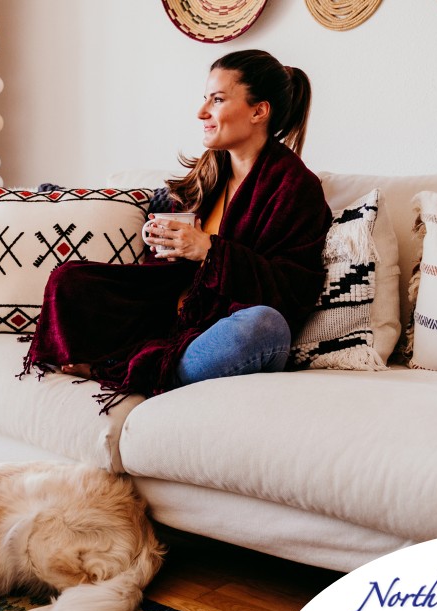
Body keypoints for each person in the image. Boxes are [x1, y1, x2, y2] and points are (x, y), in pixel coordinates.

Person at [21, 49, 332, 412]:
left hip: (227, 330)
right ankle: (138, 363)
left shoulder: (295, 188)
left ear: (258, 111)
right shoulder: (207, 174)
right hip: (172, 317)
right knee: (70, 279)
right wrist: (165, 245)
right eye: (205, 99)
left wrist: (210, 251)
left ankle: (138, 371)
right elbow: (173, 272)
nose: (201, 113)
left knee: (264, 326)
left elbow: (293, 290)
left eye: (217, 100)